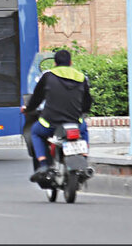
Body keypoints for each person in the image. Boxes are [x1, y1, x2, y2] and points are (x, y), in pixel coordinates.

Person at [21, 49, 92, 183]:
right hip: (74, 122)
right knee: (83, 129)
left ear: (55, 63)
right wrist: (81, 112)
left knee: (35, 132)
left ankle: (43, 165)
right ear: (70, 63)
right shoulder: (81, 77)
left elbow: (37, 98)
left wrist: (28, 109)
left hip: (51, 123)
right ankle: (84, 158)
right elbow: (87, 103)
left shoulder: (48, 76)